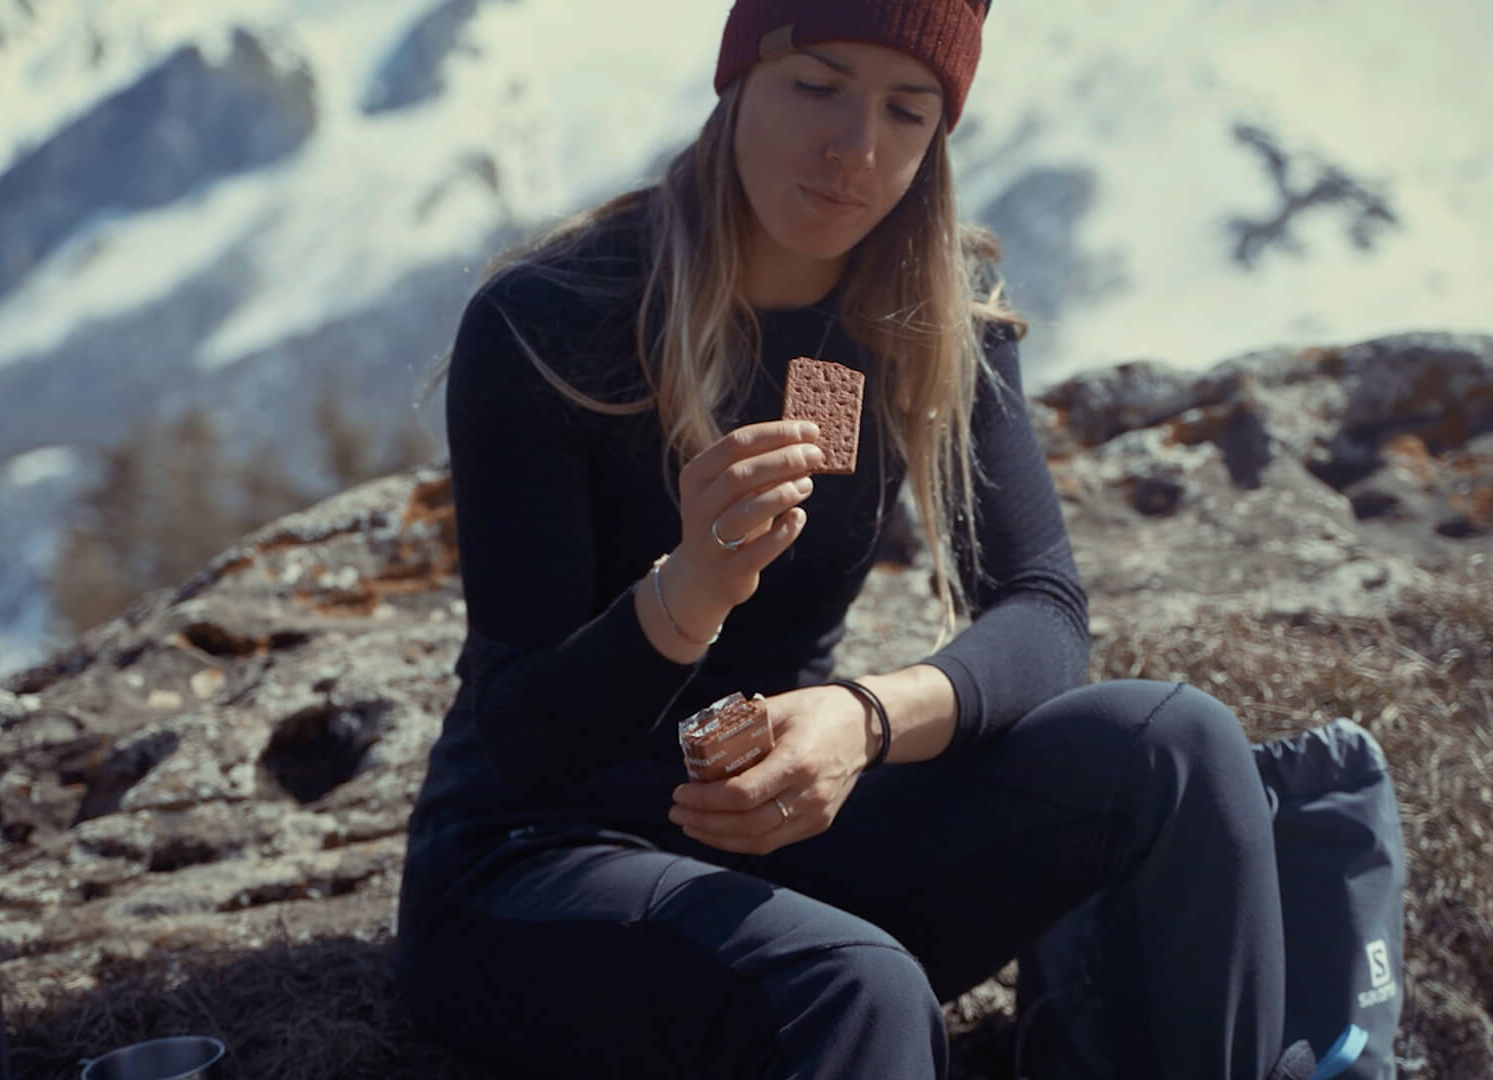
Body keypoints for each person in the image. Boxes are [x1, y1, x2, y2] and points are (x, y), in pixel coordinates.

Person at [396, 2, 1316, 1077]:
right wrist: (687, 595)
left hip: (796, 834)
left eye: (906, 109)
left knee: (1179, 744)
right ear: (739, 79)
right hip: (540, 861)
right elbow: (524, 740)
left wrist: (864, 719)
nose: (856, 148)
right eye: (817, 86)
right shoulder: (553, 320)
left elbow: (1043, 612)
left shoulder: (935, 307)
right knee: (851, 982)